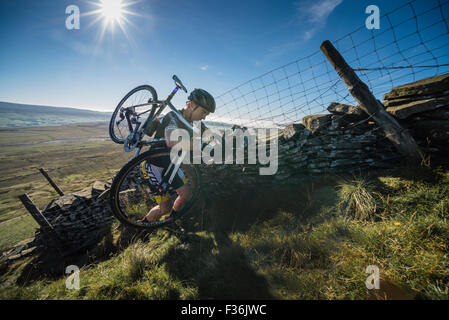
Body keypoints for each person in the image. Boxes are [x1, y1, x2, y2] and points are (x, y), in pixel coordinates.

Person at [141, 88, 216, 223]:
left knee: (186, 194)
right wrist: (199, 145)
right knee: (165, 207)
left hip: (171, 166)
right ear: (191, 105)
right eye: (203, 112)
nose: (204, 116)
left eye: (207, 114)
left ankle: (171, 222)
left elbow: (210, 135)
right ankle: (143, 226)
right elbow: (171, 141)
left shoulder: (196, 123)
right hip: (155, 166)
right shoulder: (173, 116)